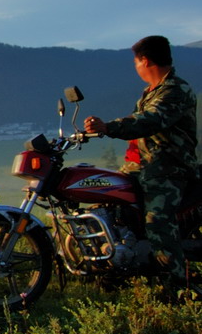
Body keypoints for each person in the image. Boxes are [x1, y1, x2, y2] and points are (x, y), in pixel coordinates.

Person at [84, 35, 199, 293]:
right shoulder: (151, 92)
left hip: (167, 170)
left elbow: (150, 121)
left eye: (136, 62)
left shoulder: (176, 90)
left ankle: (177, 290)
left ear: (144, 60)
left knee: (158, 225)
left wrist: (109, 127)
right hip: (141, 168)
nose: (136, 67)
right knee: (104, 205)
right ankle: (114, 271)